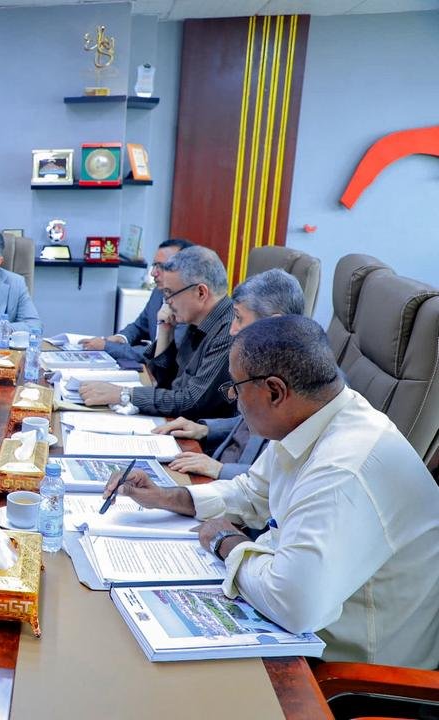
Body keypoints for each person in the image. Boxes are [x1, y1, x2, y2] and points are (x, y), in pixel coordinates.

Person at [103, 316, 439, 668]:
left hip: (351, 667)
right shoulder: (318, 414)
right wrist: (166, 497)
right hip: (307, 623)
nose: (234, 400)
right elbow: (252, 492)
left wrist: (225, 542)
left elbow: (293, 604)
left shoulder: (343, 467)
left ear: (275, 392)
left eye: (235, 387)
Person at [156, 268, 306, 479]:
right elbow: (250, 425)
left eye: (239, 318)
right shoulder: (267, 363)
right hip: (220, 472)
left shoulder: (304, 385)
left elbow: (288, 476)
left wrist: (220, 470)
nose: (233, 330)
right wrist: (206, 430)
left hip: (236, 486)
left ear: (274, 323)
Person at [80, 245, 235, 419]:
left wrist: (124, 394)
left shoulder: (229, 331)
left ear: (201, 292)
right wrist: (165, 331)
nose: (167, 302)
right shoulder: (195, 320)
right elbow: (166, 383)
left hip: (200, 432)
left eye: (169, 293)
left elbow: (190, 402)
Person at [81, 238, 192, 362]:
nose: (153, 273)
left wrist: (107, 346)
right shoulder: (158, 292)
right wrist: (121, 338)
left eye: (161, 266)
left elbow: (163, 353)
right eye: (154, 265)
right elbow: (140, 326)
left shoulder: (189, 305)